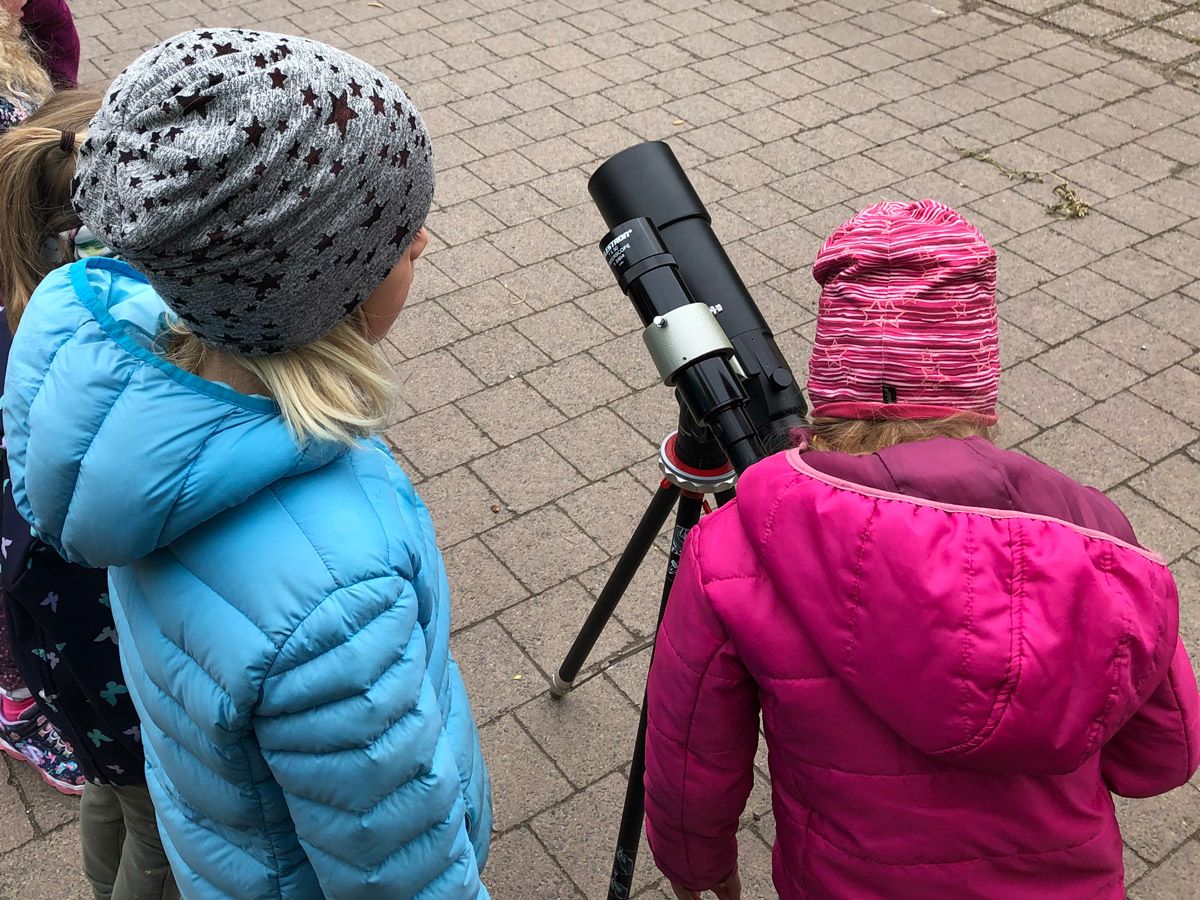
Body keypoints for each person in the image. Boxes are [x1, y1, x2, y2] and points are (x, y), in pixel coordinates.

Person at [4, 28, 491, 899]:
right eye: (400, 238)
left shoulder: (117, 406)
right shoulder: (337, 592)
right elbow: (397, 873)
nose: (424, 244)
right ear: (313, 286)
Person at [641, 199, 1200, 899]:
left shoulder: (741, 544)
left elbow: (692, 760)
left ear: (830, 374)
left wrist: (701, 872)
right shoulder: (1100, 538)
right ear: (979, 378)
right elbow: (1161, 760)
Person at [0, 89, 178, 898]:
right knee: (161, 830)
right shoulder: (119, 366)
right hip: (110, 645)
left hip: (50, 644)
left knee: (112, 792)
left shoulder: (25, 326)